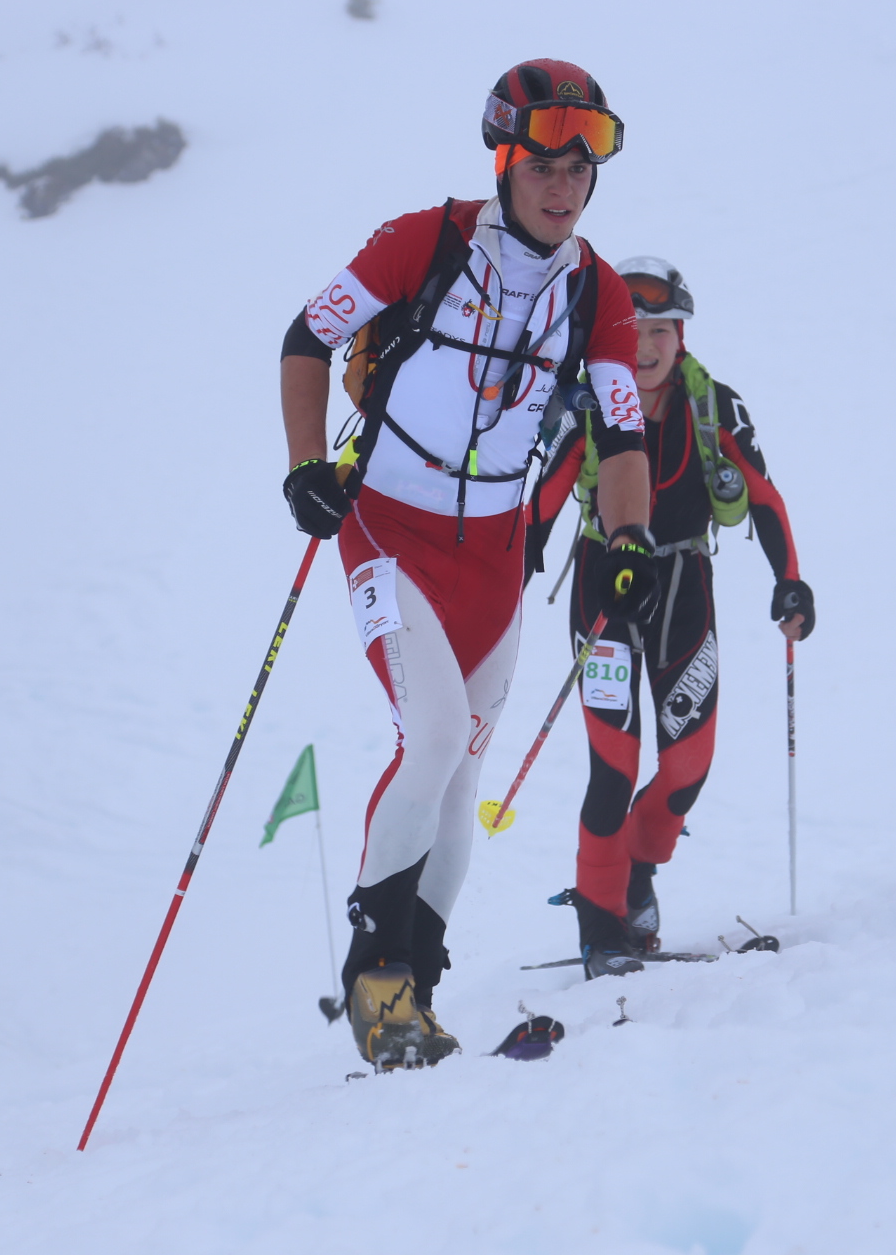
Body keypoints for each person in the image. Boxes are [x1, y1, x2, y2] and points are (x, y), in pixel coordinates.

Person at [277, 60, 657, 1068]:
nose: (563, 186)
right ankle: (375, 983)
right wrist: (307, 465)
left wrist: (625, 541)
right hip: (387, 530)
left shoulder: (599, 293)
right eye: (543, 165)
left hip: (496, 556)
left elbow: (622, 437)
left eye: (581, 168)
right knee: (435, 735)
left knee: (462, 776)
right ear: (505, 161)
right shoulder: (425, 241)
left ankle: (418, 999)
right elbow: (307, 337)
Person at [526, 257, 815, 977]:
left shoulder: (714, 405)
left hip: (685, 584)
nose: (646, 344)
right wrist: (509, 572)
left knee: (687, 766)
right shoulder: (590, 403)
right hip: (604, 590)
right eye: (632, 328)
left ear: (681, 335)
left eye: (661, 329)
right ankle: (601, 926)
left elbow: (762, 495)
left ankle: (638, 867)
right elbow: (544, 502)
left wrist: (789, 581)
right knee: (613, 769)